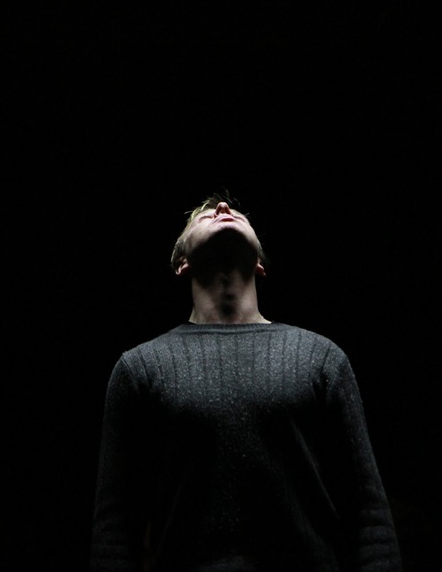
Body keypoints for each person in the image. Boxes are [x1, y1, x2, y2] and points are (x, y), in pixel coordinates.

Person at [89, 193, 402, 571]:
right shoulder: (139, 369)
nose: (223, 209)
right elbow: (115, 531)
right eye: (204, 216)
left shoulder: (322, 359)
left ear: (260, 264)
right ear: (182, 264)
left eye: (237, 213)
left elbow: (369, 516)